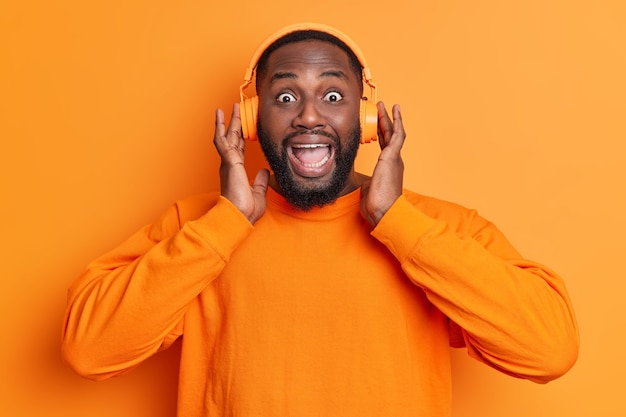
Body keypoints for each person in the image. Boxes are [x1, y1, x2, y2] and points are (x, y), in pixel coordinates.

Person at [62, 23, 579, 417]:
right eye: (285, 97)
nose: (309, 116)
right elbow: (89, 351)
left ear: (369, 117)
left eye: (333, 96)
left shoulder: (437, 229)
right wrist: (226, 226)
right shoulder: (200, 229)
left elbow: (548, 350)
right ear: (250, 118)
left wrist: (397, 223)